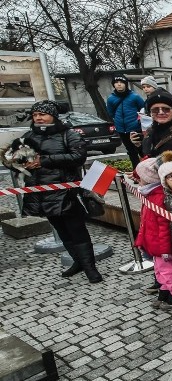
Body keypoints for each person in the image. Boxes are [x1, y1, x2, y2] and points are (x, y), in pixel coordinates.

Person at [4, 100, 102, 283]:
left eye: (42, 114)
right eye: (35, 115)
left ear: (53, 116)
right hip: (41, 194)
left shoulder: (68, 134)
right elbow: (10, 160)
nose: (38, 118)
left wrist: (45, 161)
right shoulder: (27, 137)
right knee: (62, 232)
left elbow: (78, 156)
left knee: (77, 231)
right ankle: (78, 262)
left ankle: (90, 267)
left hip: (66, 193)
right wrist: (18, 163)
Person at [134, 157, 172, 308]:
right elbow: (145, 223)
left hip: (161, 245)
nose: (138, 181)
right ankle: (165, 291)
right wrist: (141, 241)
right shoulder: (149, 195)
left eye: (141, 178)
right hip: (154, 243)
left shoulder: (158, 196)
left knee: (170, 270)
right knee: (160, 270)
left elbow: (164, 225)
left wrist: (165, 249)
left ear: (149, 179)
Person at [107, 74, 146, 167]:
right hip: (122, 130)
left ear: (126, 84)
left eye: (121, 82)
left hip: (135, 129)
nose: (119, 84)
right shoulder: (111, 99)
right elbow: (111, 113)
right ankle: (136, 172)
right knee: (131, 152)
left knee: (142, 151)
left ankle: (147, 171)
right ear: (114, 85)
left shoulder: (135, 97)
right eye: (116, 82)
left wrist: (138, 122)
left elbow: (143, 110)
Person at [136, 90, 172, 159]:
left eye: (166, 109)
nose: (161, 112)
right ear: (150, 113)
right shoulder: (150, 131)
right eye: (155, 110)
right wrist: (139, 146)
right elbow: (146, 156)